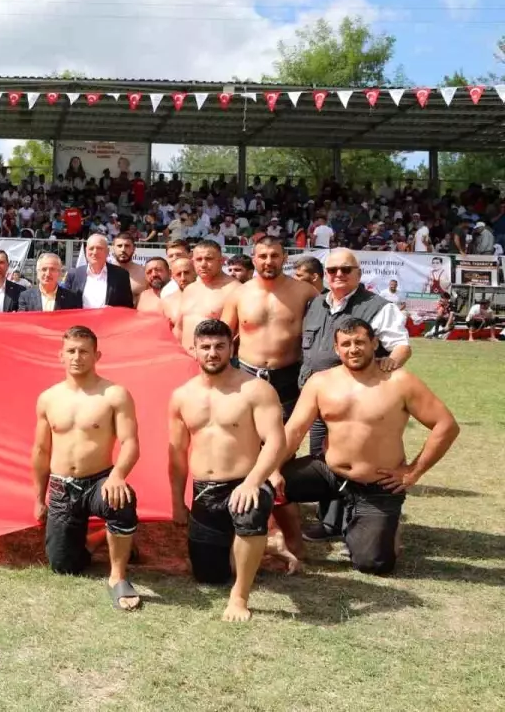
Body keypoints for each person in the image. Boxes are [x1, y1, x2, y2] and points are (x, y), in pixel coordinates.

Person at [279, 317, 459, 575]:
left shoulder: (399, 381)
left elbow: (446, 425)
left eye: (360, 342)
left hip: (378, 484)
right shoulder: (320, 382)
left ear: (374, 343)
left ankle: (385, 526)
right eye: (346, 344)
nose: (353, 349)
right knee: (264, 486)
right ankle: (293, 543)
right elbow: (294, 430)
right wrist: (270, 469)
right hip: (330, 471)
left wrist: (413, 471)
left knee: (372, 564)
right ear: (336, 348)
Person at [168, 320, 288, 622]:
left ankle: (239, 595)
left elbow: (275, 441)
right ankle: (269, 544)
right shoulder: (182, 396)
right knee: (209, 576)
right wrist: (176, 502)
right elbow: (177, 454)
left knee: (250, 511)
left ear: (231, 348)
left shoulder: (255, 389)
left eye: (220, 346)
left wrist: (253, 482)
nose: (213, 353)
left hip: (244, 482)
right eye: (205, 347)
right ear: (193, 350)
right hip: (205, 490)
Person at [297, 249, 412, 541]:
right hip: (318, 400)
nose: (338, 275)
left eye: (346, 270)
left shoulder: (378, 306)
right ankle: (330, 523)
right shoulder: (316, 304)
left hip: (356, 402)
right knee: (323, 462)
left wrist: (390, 365)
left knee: (354, 459)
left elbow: (401, 345)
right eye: (332, 269)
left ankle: (356, 522)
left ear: (359, 274)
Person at [33, 326, 141, 610]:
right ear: (60, 355)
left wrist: (117, 476)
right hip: (61, 485)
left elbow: (131, 443)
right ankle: (98, 539)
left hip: (99, 481)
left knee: (122, 499)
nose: (77, 357)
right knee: (64, 565)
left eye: (84, 351)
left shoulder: (114, 394)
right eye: (71, 351)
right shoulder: (48, 398)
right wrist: (38, 498)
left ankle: (117, 577)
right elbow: (41, 451)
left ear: (97, 355)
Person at [221, 238, 318, 421]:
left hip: (289, 378)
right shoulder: (238, 294)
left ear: (285, 258)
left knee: (286, 442)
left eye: (274, 255)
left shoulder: (305, 292)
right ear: (254, 259)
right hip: (246, 375)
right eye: (263, 256)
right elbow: (223, 337)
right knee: (247, 440)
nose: (268, 261)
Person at [173, 241, 236, 353]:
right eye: (199, 259)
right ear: (193, 261)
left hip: (214, 362)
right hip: (184, 359)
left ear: (221, 261)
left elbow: (231, 336)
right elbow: (179, 328)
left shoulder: (234, 290)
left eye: (209, 259)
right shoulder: (189, 289)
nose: (203, 264)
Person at [62, 234, 135, 309]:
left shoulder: (121, 275)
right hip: (80, 320)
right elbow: (65, 304)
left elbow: (128, 307)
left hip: (109, 320)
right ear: (86, 250)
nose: (95, 252)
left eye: (99, 248)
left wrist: (114, 311)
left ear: (107, 251)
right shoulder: (74, 274)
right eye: (91, 248)